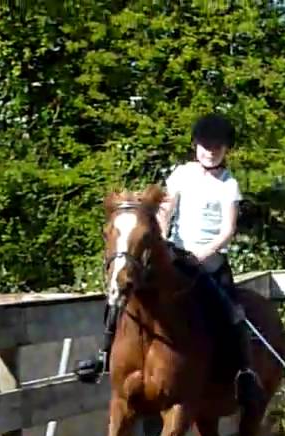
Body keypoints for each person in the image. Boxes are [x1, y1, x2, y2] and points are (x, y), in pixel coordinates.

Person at [75, 113, 263, 408]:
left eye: (216, 148)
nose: (210, 153)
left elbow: (227, 230)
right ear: (195, 146)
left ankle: (244, 373)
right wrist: (161, 240)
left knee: (232, 312)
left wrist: (202, 254)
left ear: (225, 150)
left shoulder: (229, 185)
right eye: (205, 147)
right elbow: (165, 212)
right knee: (124, 290)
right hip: (174, 253)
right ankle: (103, 354)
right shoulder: (182, 174)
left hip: (209, 261)